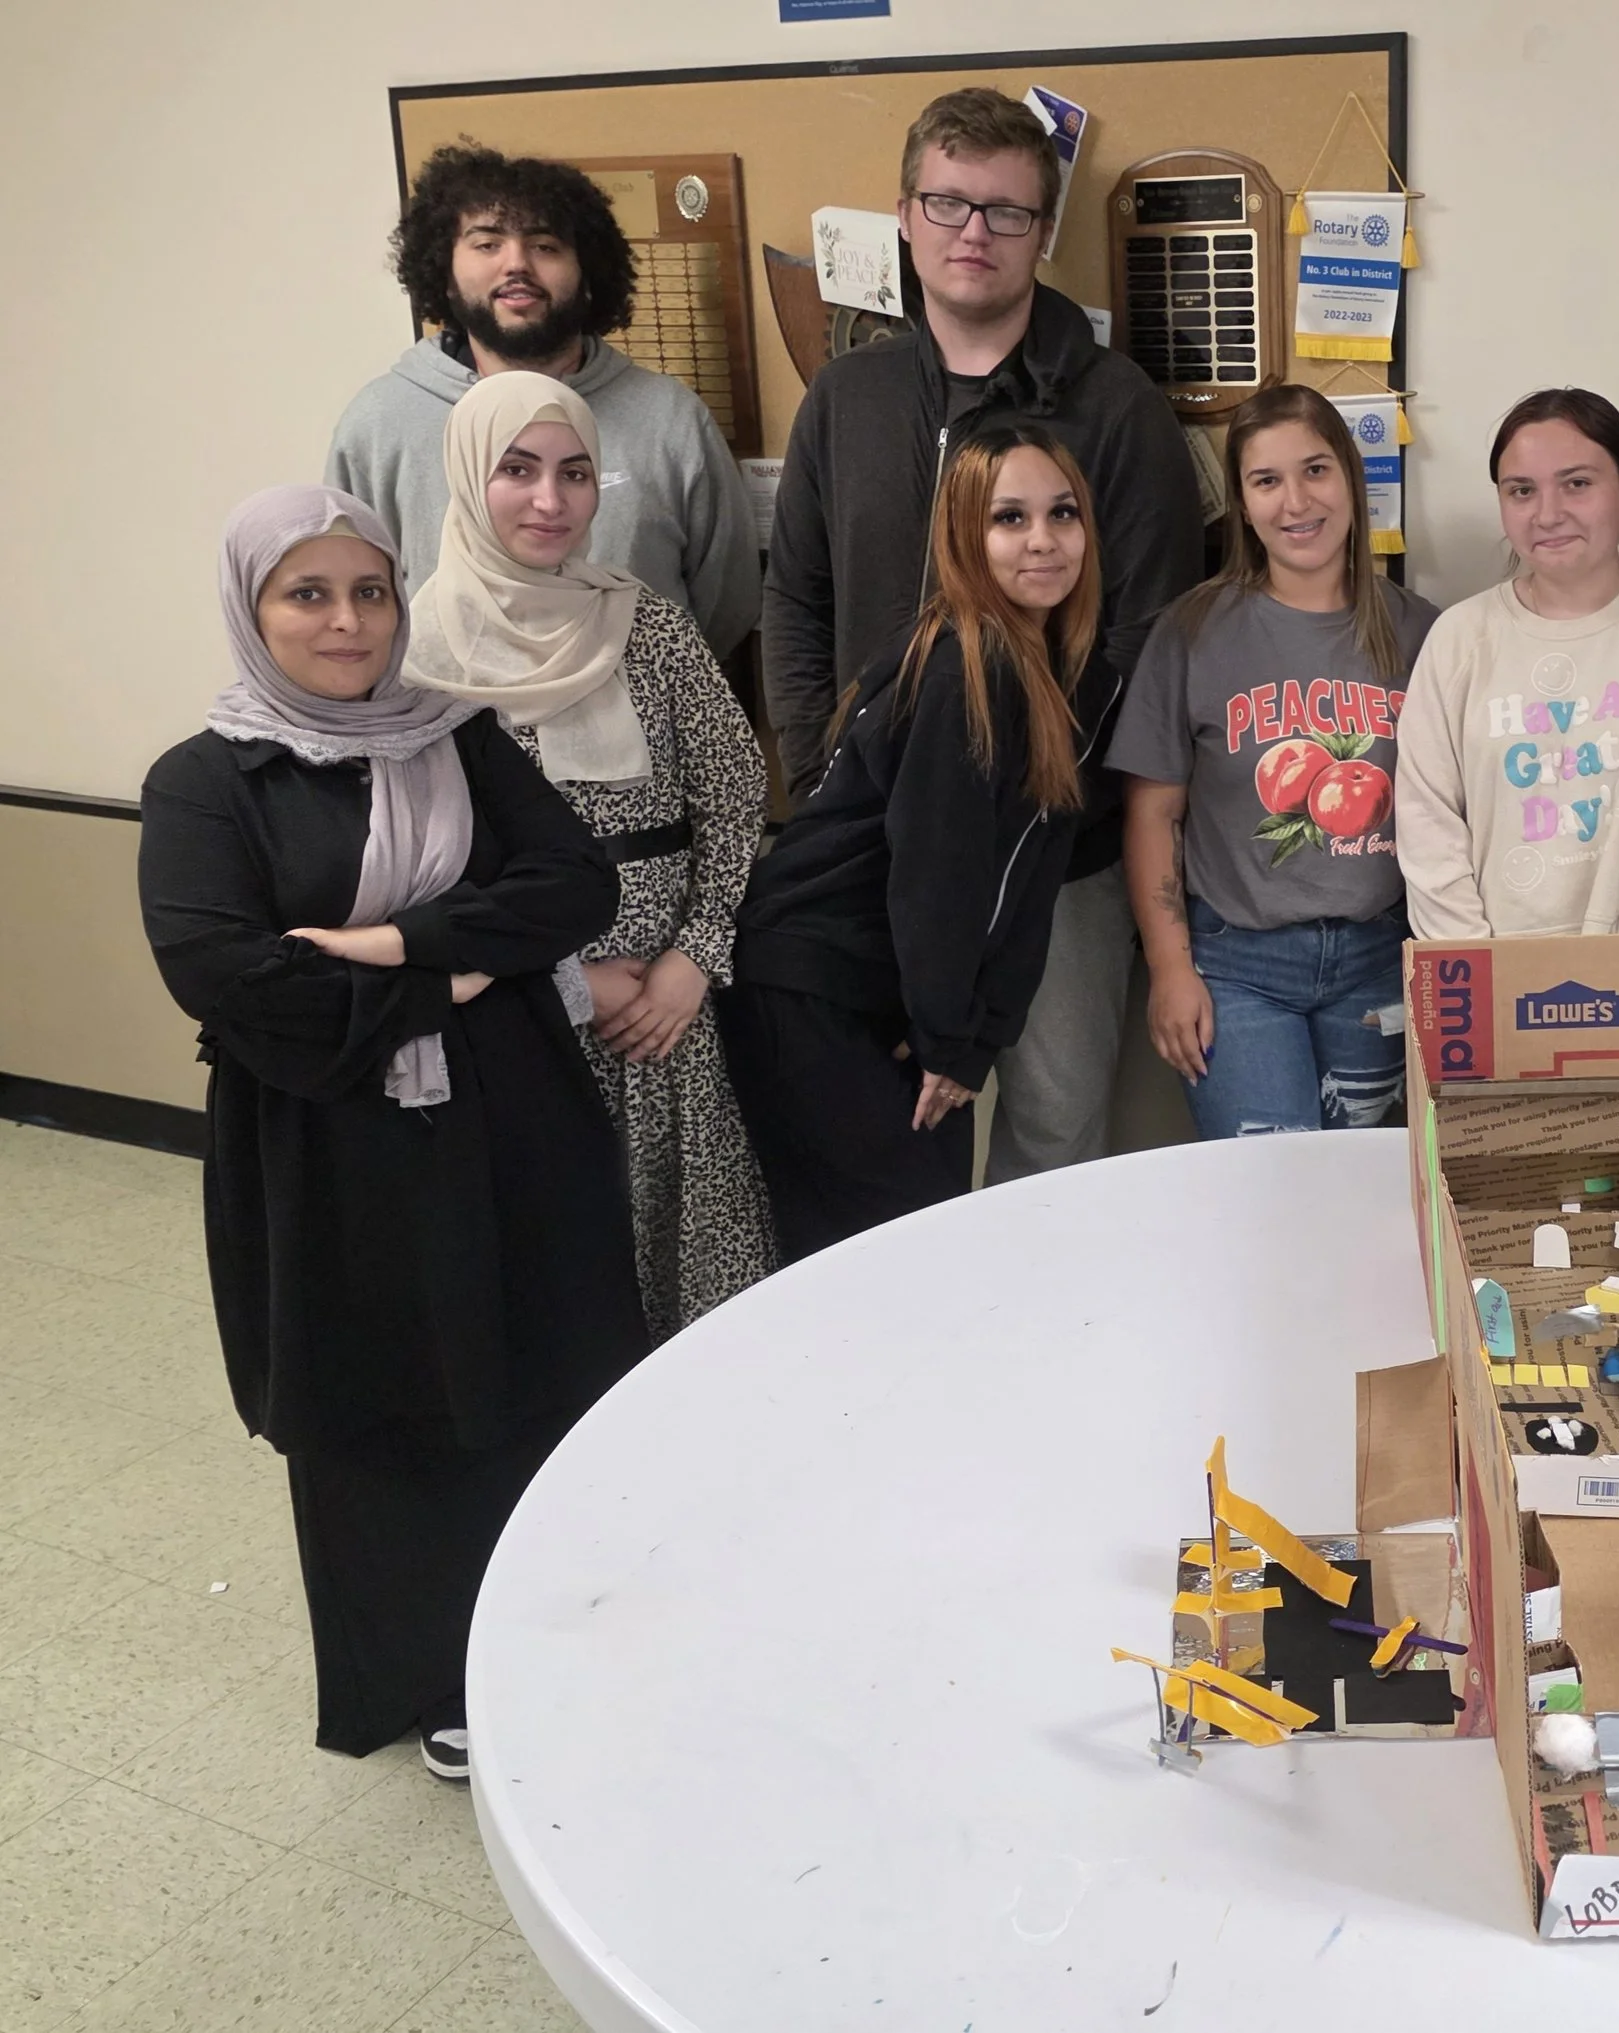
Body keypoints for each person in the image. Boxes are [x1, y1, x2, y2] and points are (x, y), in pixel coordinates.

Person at [137, 486, 647, 1783]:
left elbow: (573, 884)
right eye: (307, 594)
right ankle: (431, 1671)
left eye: (370, 591)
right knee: (390, 1395)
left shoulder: (458, 739)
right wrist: (458, 974)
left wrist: (395, 942)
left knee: (542, 1360)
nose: (349, 621)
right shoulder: (206, 782)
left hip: (514, 1123)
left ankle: (569, 1632)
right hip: (334, 1150)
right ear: (253, 612)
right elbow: (229, 974)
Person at [763, 87, 1200, 1182]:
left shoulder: (1116, 406)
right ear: (904, 214)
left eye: (1005, 212)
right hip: (869, 848)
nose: (973, 233)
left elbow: (1148, 636)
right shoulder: (844, 399)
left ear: (1044, 233)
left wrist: (1047, 801)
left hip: (1060, 854)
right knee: (891, 1127)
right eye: (948, 204)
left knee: (1053, 1131)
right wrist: (826, 769)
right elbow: (794, 602)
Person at [402, 372, 775, 1339]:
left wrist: (695, 958)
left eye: (574, 472)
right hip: (520, 1012)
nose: (549, 499)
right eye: (516, 470)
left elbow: (734, 794)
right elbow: (428, 867)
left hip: (665, 1007)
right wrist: (568, 979)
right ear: (468, 476)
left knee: (691, 1267)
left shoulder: (643, 622)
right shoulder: (418, 657)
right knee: (560, 1269)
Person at [724, 422, 1119, 1256]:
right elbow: (942, 874)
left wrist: (971, 1034)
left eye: (1063, 514)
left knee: (926, 1233)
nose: (1043, 541)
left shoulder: (1057, 671)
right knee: (884, 1255)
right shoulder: (964, 671)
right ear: (963, 537)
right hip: (811, 988)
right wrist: (951, 1037)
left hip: (882, 994)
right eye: (1009, 519)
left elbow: (1025, 878)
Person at [1110, 384, 1436, 1137]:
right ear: (1244, 502)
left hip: (1379, 958)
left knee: (1358, 1194)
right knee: (1268, 1197)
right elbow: (1153, 812)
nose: (1296, 501)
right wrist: (1169, 968)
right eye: (1267, 480)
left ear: (1351, 478)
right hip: (1238, 966)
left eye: (1315, 470)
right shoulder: (1192, 631)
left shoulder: (1421, 631)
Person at [326, 144, 760, 658]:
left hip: (639, 723)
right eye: (487, 245)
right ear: (443, 270)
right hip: (450, 728)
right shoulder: (380, 424)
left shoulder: (670, 419)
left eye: (545, 246)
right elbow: (353, 605)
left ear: (587, 271)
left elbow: (726, 605)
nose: (517, 265)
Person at [1396, 388, 1619, 938]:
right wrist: (1476, 965)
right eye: (1521, 491)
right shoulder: (1459, 639)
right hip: (1490, 973)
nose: (1548, 514)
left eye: (1577, 484)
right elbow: (1427, 822)